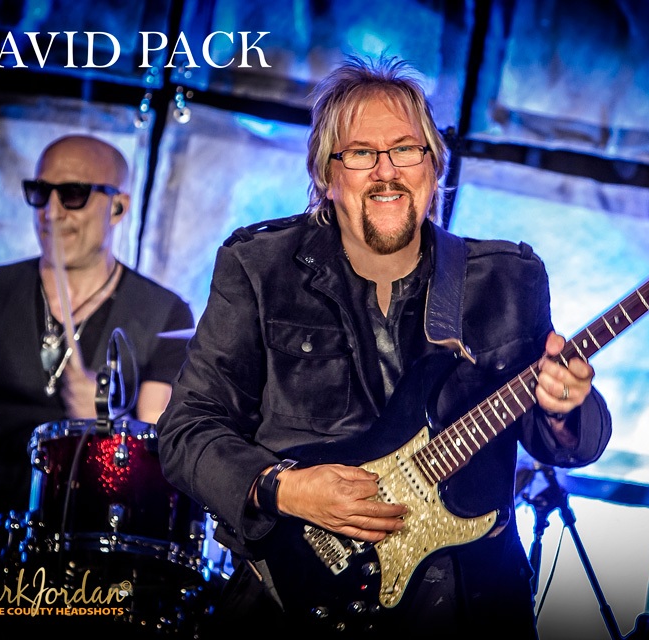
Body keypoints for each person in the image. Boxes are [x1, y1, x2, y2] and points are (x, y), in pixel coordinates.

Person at [155, 54, 612, 637]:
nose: (386, 172)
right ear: (327, 173)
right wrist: (285, 488)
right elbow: (186, 430)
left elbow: (565, 444)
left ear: (434, 166)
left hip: (471, 600)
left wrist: (565, 407)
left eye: (405, 150)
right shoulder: (260, 268)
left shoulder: (506, 279)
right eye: (361, 154)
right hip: (295, 598)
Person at [0, 134, 195, 562]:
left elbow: (160, 451)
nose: (51, 211)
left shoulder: (164, 314)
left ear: (118, 207)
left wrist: (107, 423)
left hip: (91, 562)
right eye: (40, 192)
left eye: (73, 194)